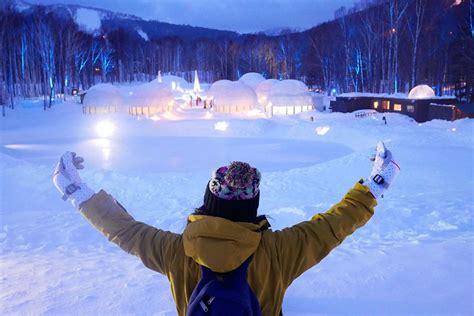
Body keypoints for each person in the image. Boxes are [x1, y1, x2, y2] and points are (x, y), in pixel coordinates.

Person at [52, 142, 400, 315]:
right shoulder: (281, 251)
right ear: (253, 205)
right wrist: (377, 183)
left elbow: (124, 230)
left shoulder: (175, 251)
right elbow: (333, 225)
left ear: (208, 199)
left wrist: (75, 191)